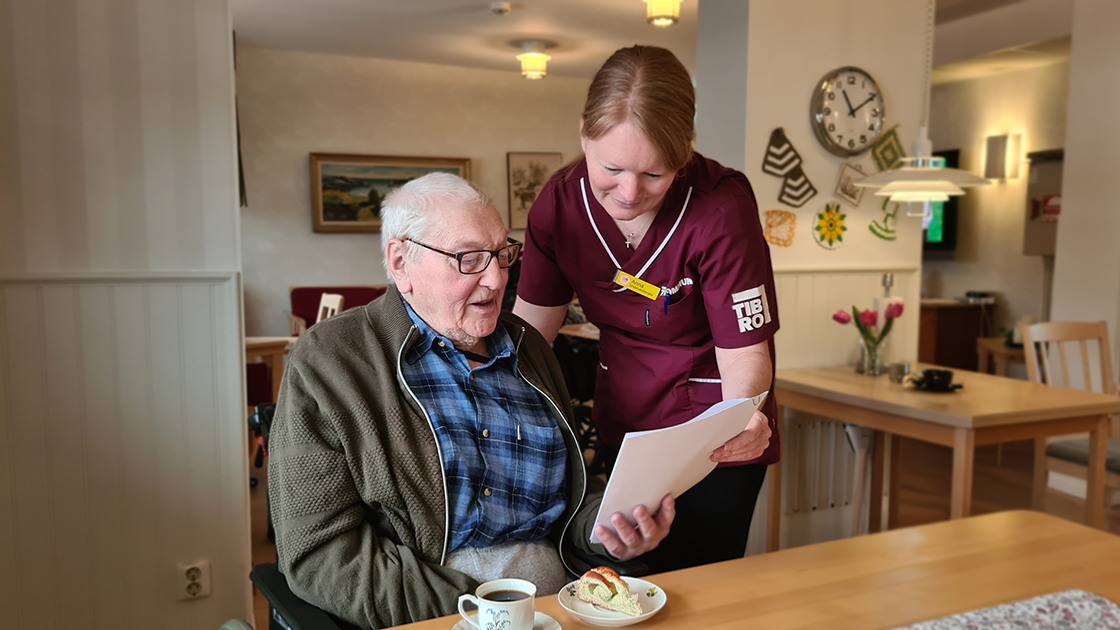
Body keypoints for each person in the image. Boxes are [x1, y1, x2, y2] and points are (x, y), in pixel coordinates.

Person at [268, 172, 674, 629]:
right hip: (435, 616)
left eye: (502, 255)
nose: (497, 278)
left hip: (561, 611)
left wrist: (610, 531)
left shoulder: (530, 349)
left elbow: (570, 501)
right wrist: (487, 614)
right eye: (469, 259)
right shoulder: (332, 361)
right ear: (400, 261)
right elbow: (318, 553)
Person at [513, 45, 780, 573]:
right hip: (626, 421)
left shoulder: (720, 208)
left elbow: (745, 353)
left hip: (715, 429)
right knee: (624, 579)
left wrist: (743, 414)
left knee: (700, 585)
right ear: (584, 137)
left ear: (684, 155)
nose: (630, 193)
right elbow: (528, 335)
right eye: (610, 168)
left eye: (655, 175)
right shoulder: (560, 204)